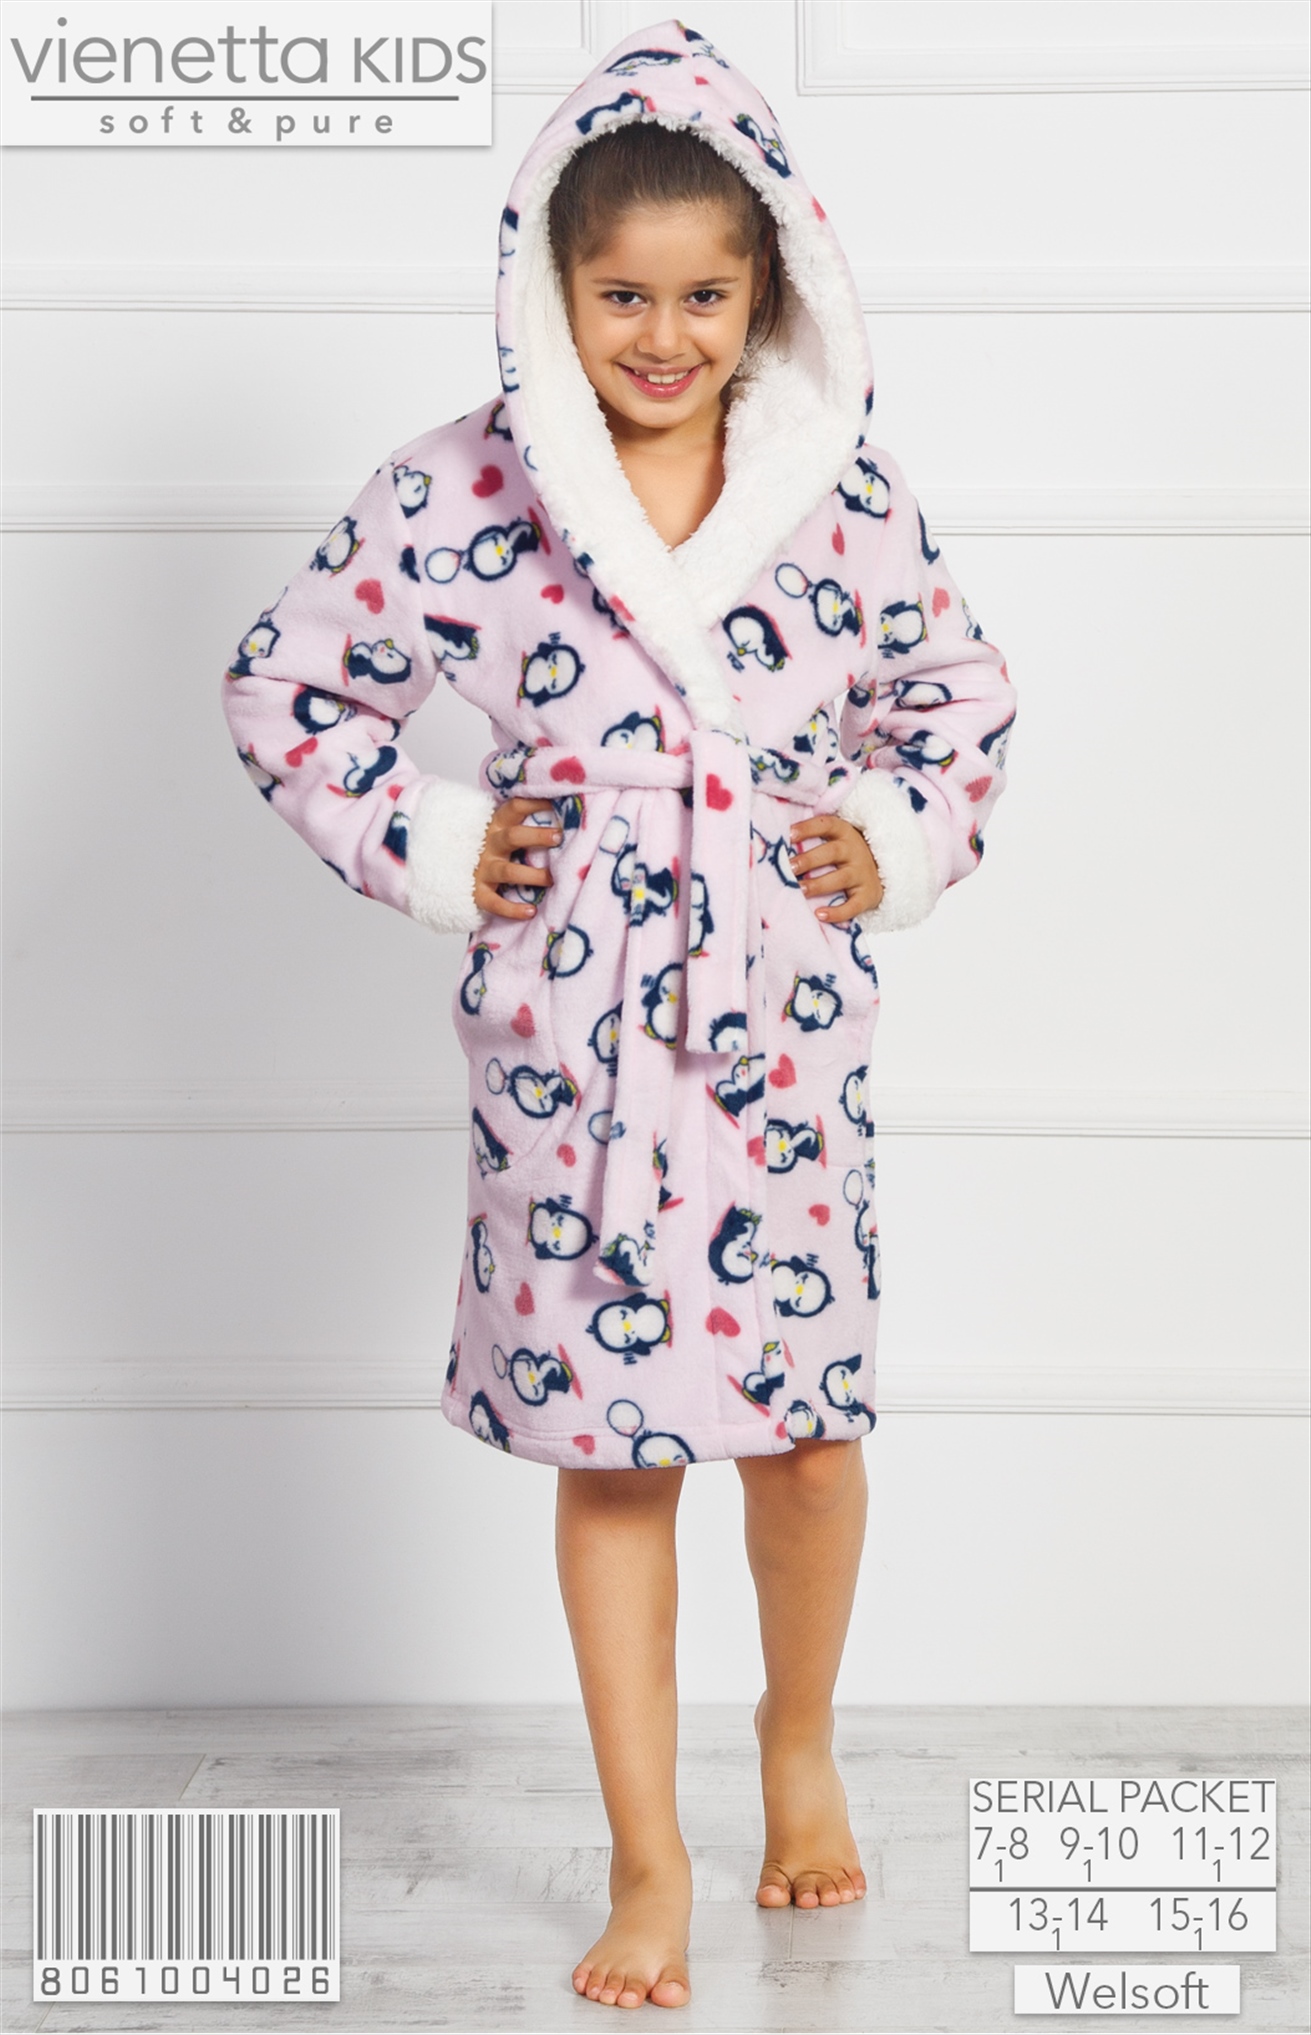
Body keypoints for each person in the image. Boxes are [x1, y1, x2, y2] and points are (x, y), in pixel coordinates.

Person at [222, 19, 1016, 2012]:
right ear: (551, 291)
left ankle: (798, 1741)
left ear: (770, 292)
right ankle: (648, 1858)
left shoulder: (838, 493)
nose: (661, 338)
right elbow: (285, 686)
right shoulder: (459, 489)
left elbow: (957, 702)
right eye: (621, 296)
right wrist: (438, 837)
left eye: (701, 297)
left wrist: (885, 842)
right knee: (616, 1448)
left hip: (774, 1023)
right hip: (572, 1040)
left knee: (806, 1445)